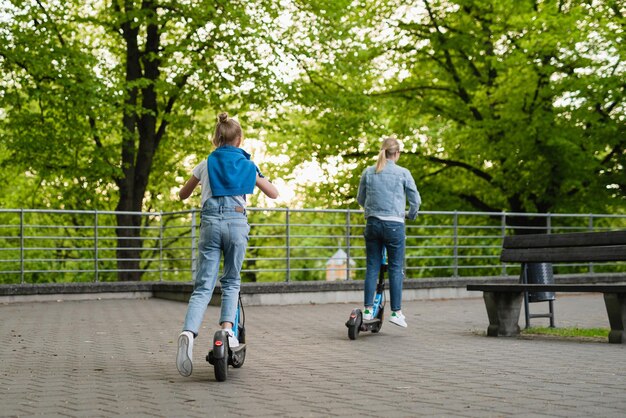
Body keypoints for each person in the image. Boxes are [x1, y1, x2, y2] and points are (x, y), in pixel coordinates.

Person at [176, 112, 278, 377]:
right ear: (239, 139)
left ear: (216, 138)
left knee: (203, 286)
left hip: (210, 223)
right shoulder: (248, 164)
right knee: (231, 281)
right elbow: (273, 192)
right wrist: (256, 174)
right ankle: (225, 330)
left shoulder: (206, 162)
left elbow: (183, 193)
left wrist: (194, 186)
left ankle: (188, 331)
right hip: (236, 222)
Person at [356, 137, 421, 328]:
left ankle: (367, 311)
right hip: (394, 225)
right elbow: (416, 201)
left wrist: (373, 209)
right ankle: (396, 312)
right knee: (395, 268)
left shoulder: (369, 171)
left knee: (372, 267)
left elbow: (361, 199)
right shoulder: (403, 173)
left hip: (373, 224)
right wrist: (410, 215)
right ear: (397, 153)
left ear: (383, 151)